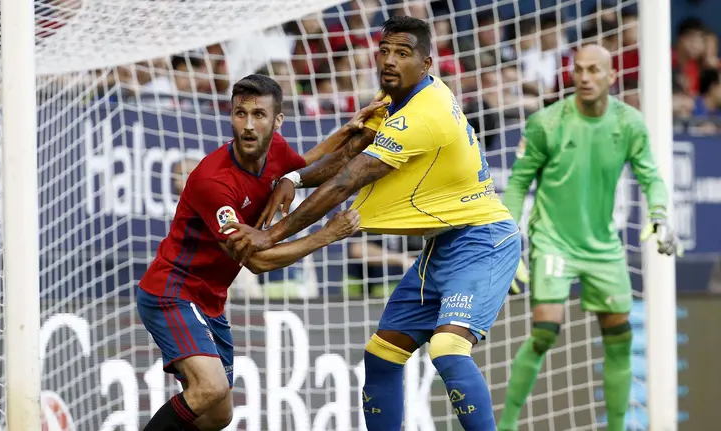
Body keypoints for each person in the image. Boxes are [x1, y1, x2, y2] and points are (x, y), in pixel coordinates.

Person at [222, 16, 521, 430]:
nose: (390, 61)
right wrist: (292, 178)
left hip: (483, 240)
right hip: (443, 245)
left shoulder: (425, 114)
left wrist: (267, 234)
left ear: (427, 63)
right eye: (384, 51)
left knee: (448, 349)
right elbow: (345, 155)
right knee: (381, 355)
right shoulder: (393, 99)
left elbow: (348, 181)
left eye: (403, 53)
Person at [136, 73, 383, 431]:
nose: (248, 125)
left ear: (276, 120)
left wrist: (348, 133)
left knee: (219, 414)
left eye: (258, 115)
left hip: (209, 300)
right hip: (171, 290)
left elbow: (306, 167)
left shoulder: (276, 149)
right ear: (231, 115)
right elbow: (257, 261)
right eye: (240, 114)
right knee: (211, 387)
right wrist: (326, 235)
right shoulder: (214, 182)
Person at [497, 45, 681, 431]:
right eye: (578, 69)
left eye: (594, 70)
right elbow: (516, 184)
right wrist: (508, 241)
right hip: (553, 240)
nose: (584, 77)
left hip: (603, 246)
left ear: (611, 76)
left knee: (619, 333)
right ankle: (507, 424)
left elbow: (651, 177)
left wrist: (661, 215)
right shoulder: (547, 122)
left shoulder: (629, 122)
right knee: (546, 329)